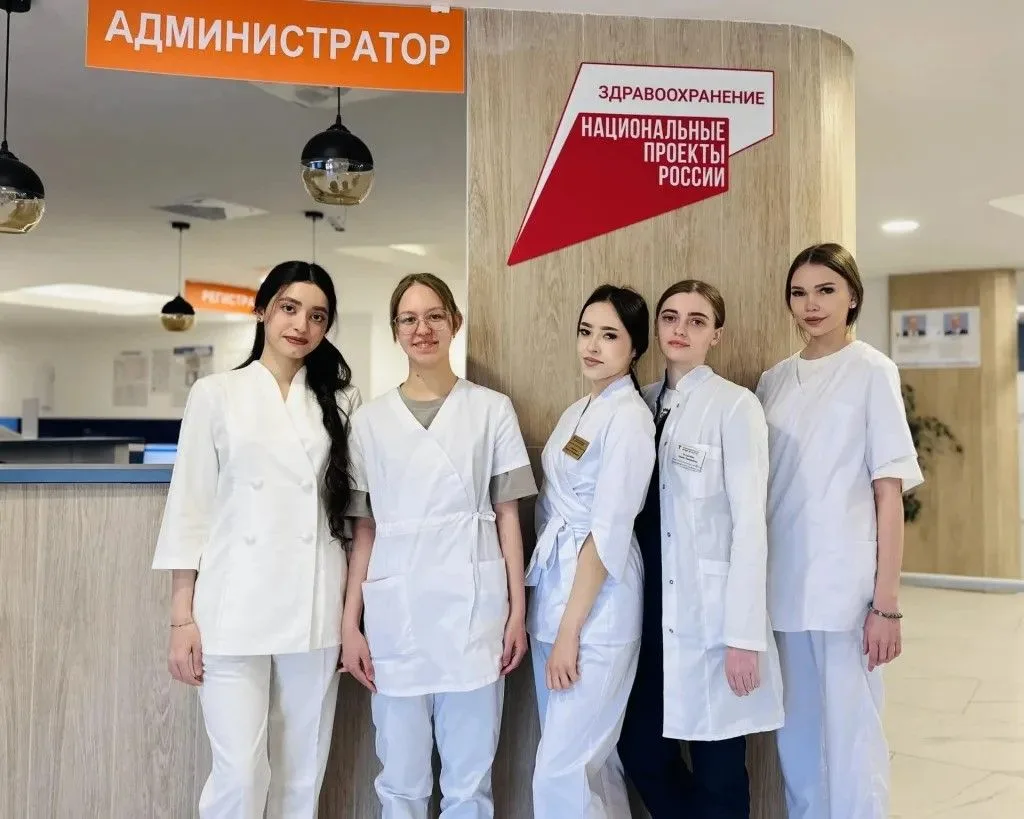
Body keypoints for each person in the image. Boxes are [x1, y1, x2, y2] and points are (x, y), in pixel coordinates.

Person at [152, 261, 362, 819]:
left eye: (317, 316)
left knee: (302, 772)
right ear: (263, 309)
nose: (301, 325)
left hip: (314, 602)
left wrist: (352, 615)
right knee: (240, 774)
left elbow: (352, 516)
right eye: (289, 308)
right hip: (231, 605)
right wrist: (181, 619)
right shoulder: (216, 394)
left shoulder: (342, 400)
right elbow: (189, 509)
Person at [341, 273, 536, 819]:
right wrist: (350, 624)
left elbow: (508, 517)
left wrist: (517, 613)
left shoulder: (491, 409)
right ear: (395, 331)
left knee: (469, 783)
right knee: (399, 780)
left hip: (473, 611)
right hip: (396, 615)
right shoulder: (369, 422)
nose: (422, 329)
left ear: (455, 322)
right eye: (409, 319)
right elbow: (365, 530)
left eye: (433, 316)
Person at [755, 243, 923, 819]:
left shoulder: (873, 371)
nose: (812, 304)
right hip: (784, 584)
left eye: (826, 290)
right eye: (799, 292)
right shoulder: (773, 381)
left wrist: (887, 604)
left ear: (852, 296)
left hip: (847, 588)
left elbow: (888, 493)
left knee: (853, 739)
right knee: (798, 740)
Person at [617, 280, 784, 818]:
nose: (681, 330)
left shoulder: (735, 406)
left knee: (719, 768)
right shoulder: (638, 404)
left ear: (716, 335)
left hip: (710, 614)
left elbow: (750, 525)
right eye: (670, 317)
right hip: (647, 608)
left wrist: (743, 636)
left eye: (697, 320)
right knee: (641, 750)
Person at [526, 284, 657, 818]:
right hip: (556, 597)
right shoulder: (578, 410)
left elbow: (608, 533)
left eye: (610, 335)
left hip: (596, 612)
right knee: (592, 769)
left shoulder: (629, 418)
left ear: (635, 347)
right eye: (586, 332)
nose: (593, 346)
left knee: (561, 772)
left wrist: (569, 631)